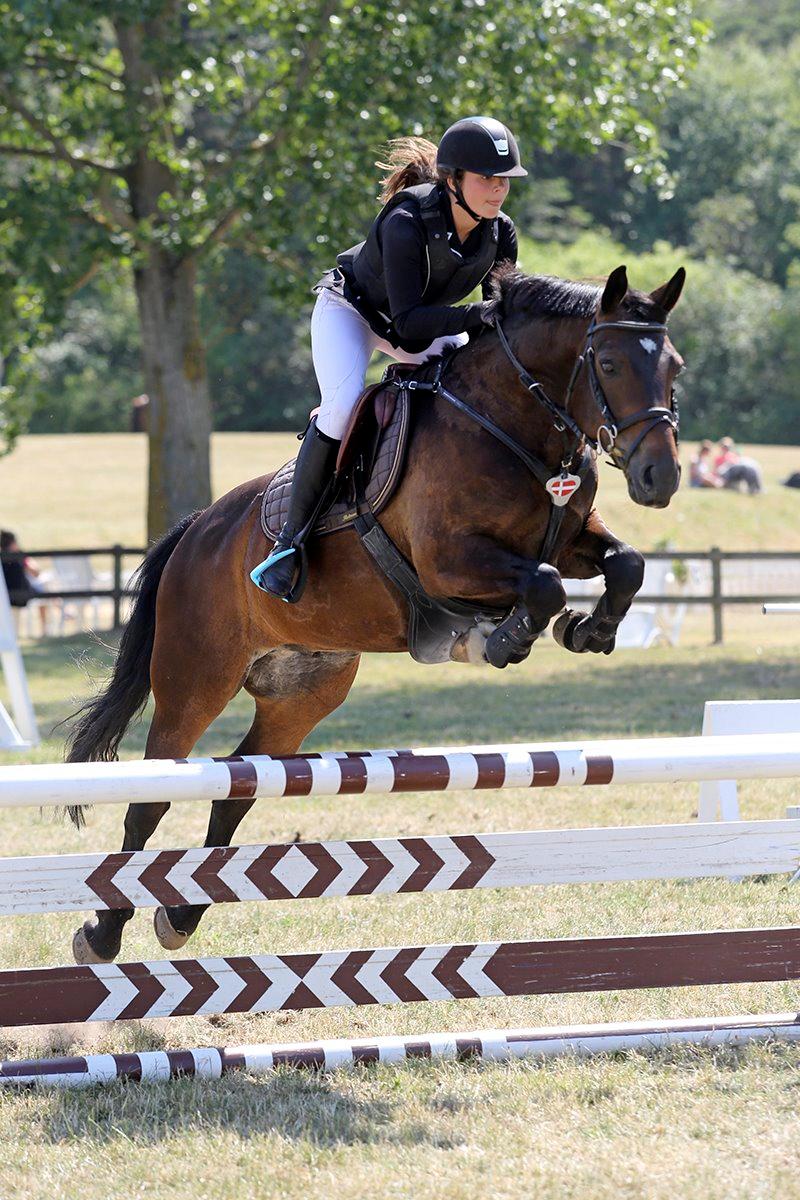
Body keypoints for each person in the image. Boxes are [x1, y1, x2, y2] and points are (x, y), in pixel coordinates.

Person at [251, 115, 526, 599]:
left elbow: (494, 321)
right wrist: (479, 316)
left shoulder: (500, 233)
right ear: (452, 180)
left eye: (504, 179)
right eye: (487, 178)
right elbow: (410, 327)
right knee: (342, 405)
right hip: (353, 313)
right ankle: (288, 546)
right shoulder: (405, 222)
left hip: (423, 322)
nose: (498, 190)